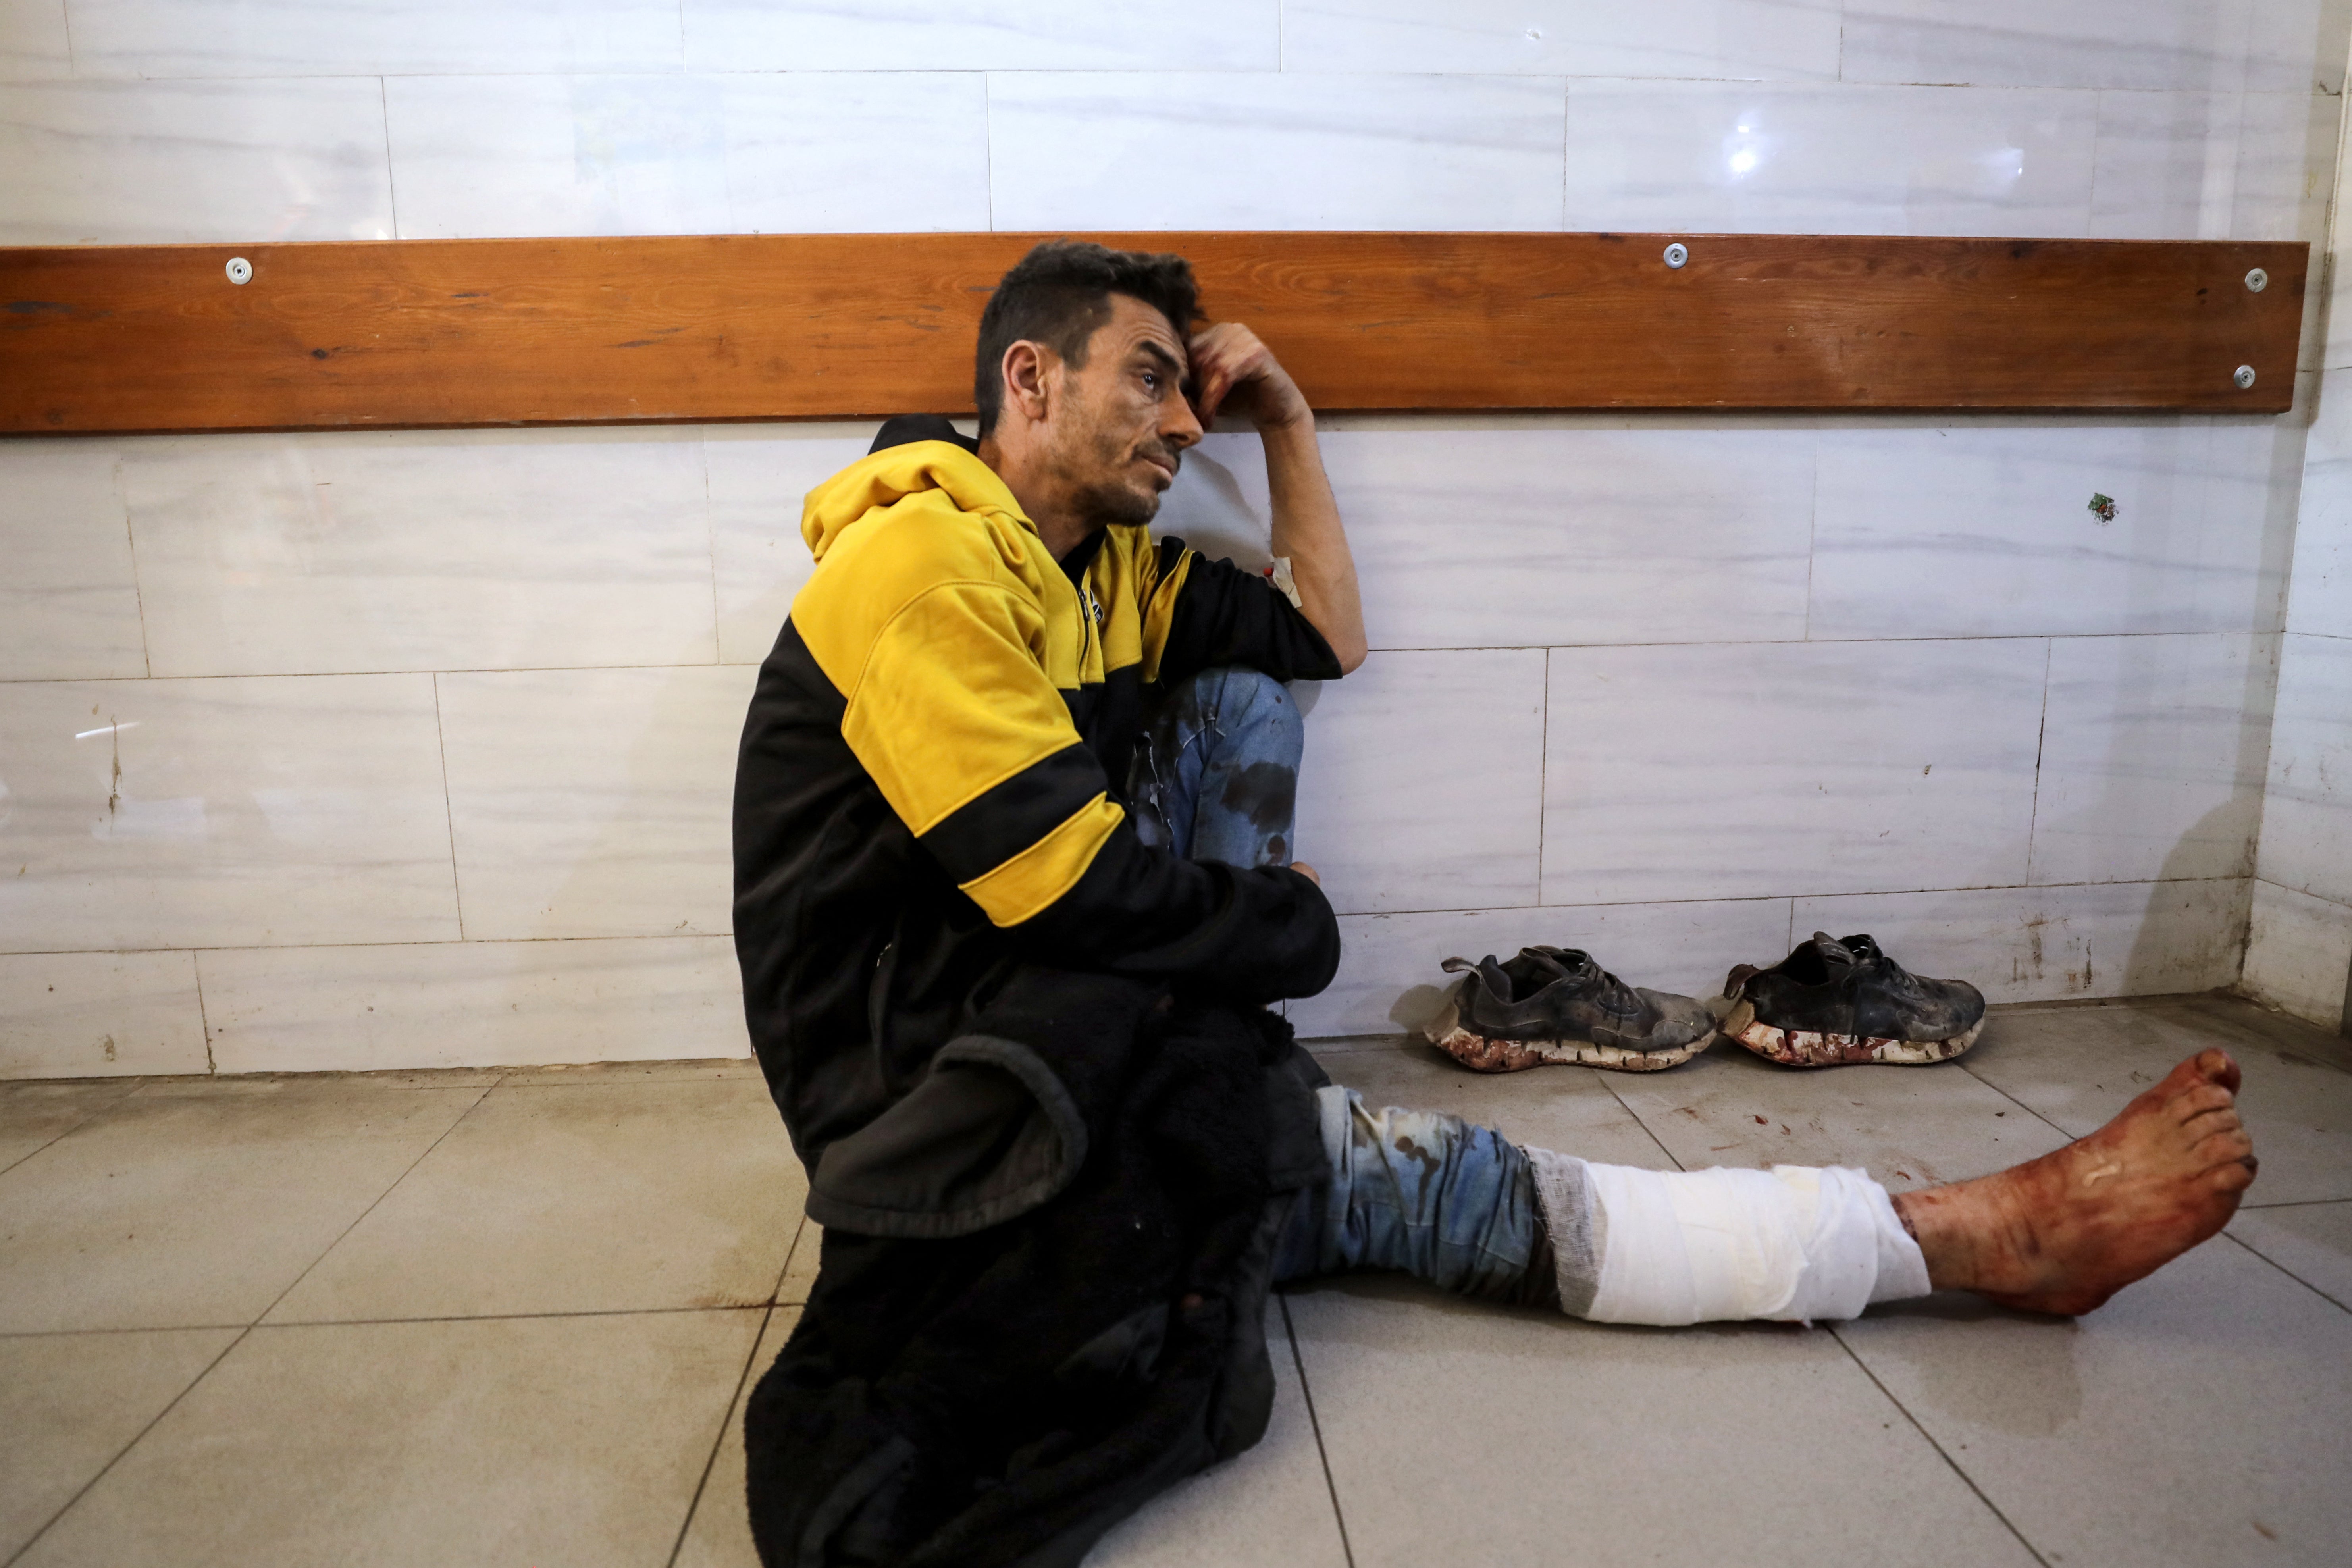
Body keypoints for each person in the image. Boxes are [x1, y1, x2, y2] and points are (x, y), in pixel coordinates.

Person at [728, 240, 2259, 1567]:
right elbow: (1059, 885)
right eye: (1152, 384)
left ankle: (1212, 1045)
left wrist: (1293, 422)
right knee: (1379, 1179)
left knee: (1247, 688)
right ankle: (1961, 1239)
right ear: (1030, 380)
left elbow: (1327, 636)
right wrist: (1289, 933)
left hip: (1039, 975)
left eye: (1194, 394)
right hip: (926, 1066)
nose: (1185, 425)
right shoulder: (921, 561)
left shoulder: (1104, 571)